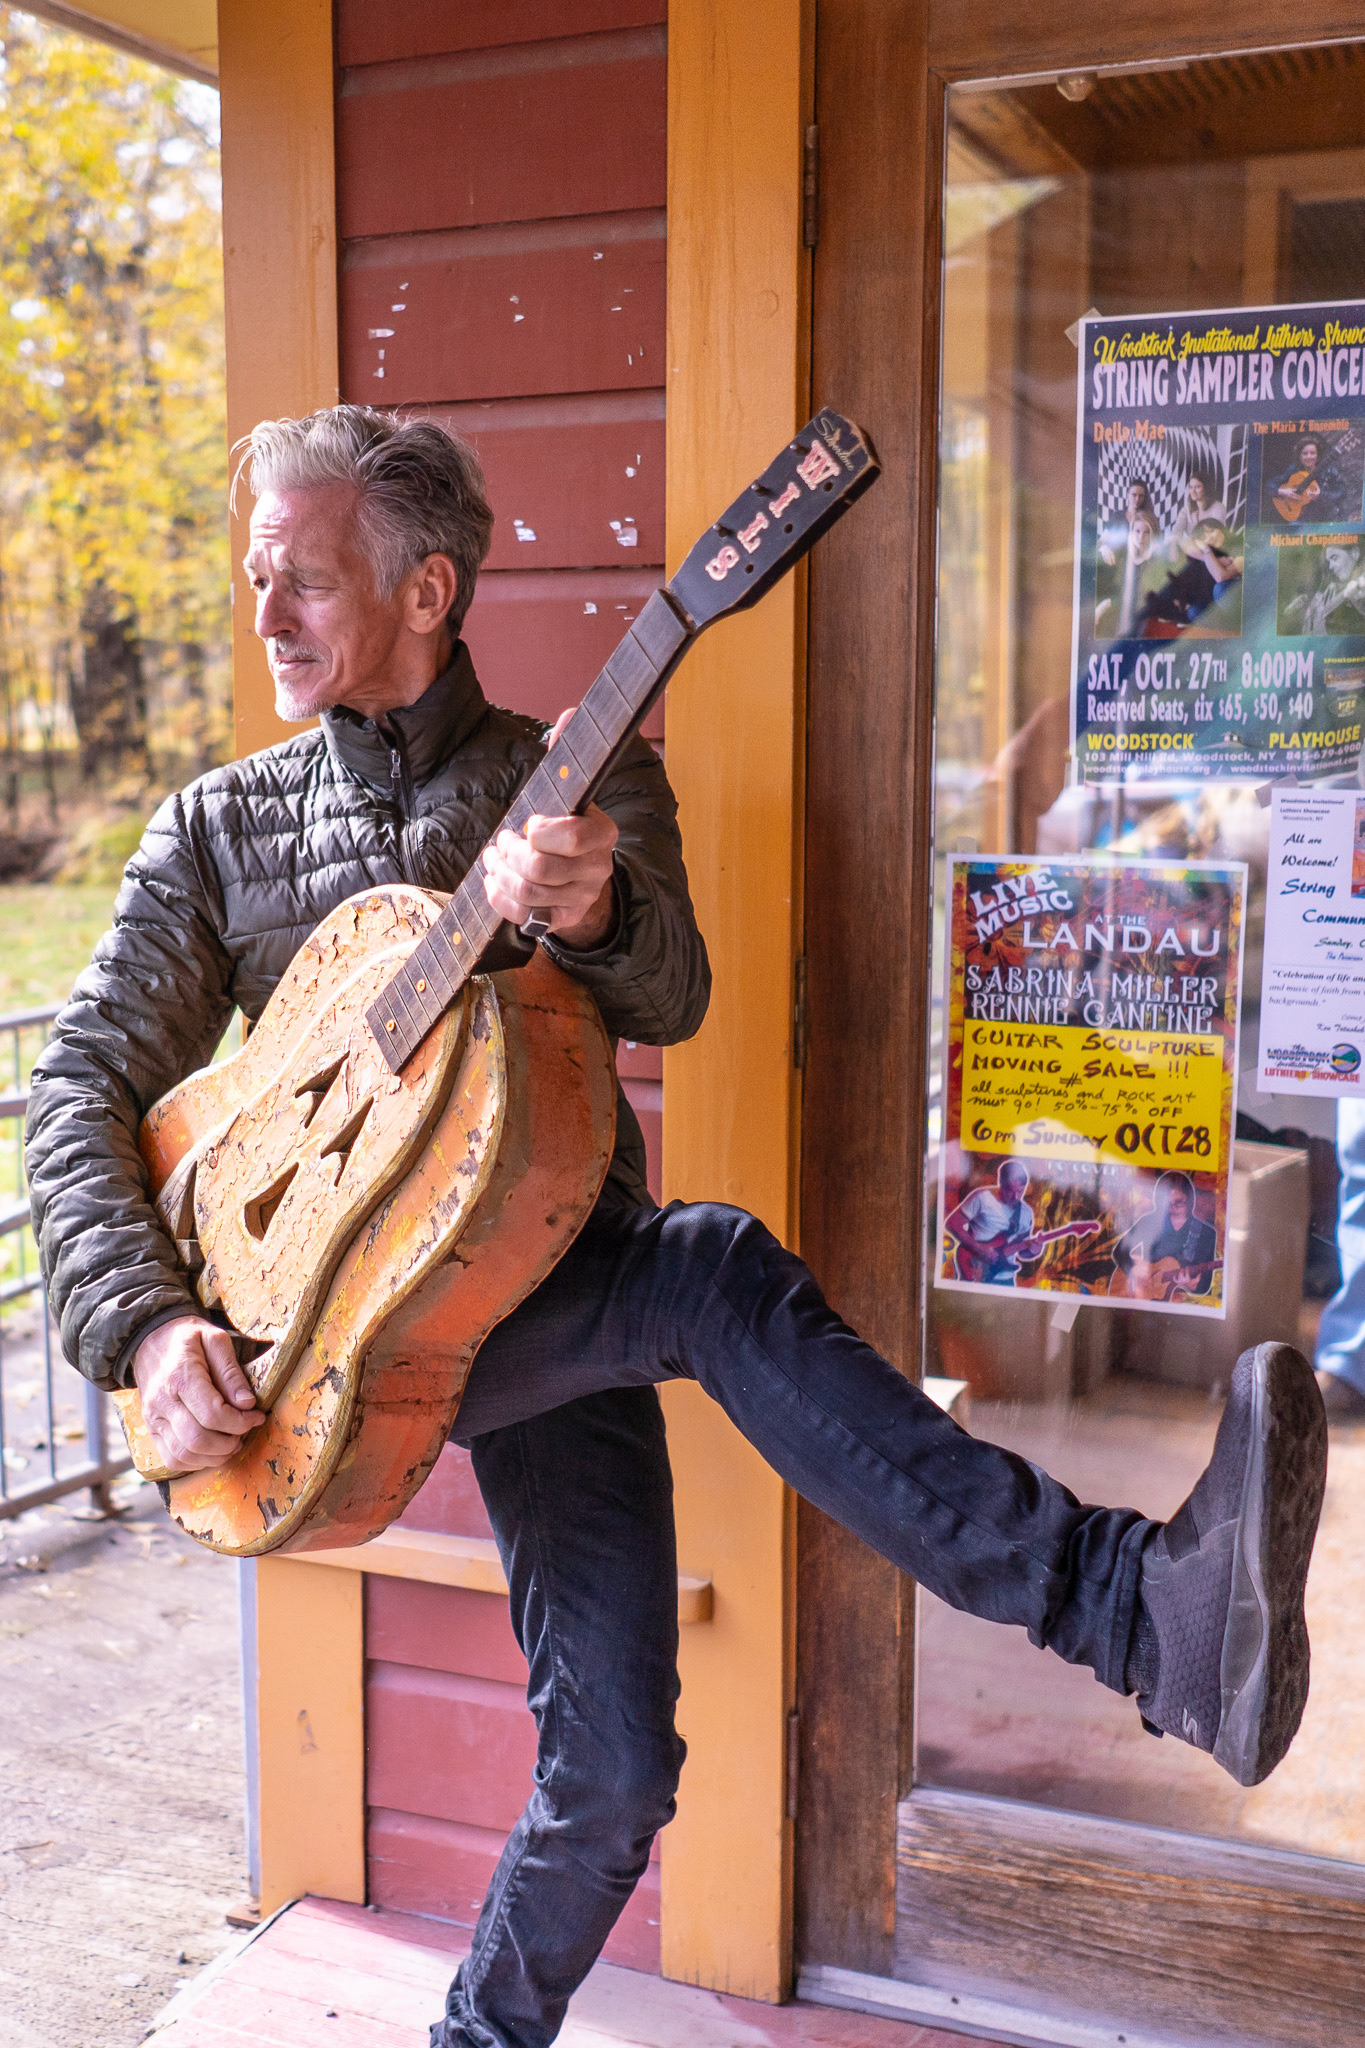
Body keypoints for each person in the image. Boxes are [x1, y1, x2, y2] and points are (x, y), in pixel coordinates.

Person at [25, 408, 1327, 2048]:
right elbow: (76, 1085)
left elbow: (678, 996)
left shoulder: (588, 769)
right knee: (705, 1272)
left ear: (429, 587)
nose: (263, 611)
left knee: (619, 1762)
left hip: (556, 1282)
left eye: (300, 577)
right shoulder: (222, 830)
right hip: (330, 1352)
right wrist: (145, 1324)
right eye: (255, 577)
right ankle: (1138, 1612)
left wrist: (602, 909)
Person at [1112, 1170, 1218, 1298]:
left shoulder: (1207, 1234)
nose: (1172, 1207)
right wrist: (1134, 1269)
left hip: (1177, 1304)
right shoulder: (1149, 1220)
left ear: (1189, 1198)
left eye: (1178, 1202)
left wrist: (1191, 1285)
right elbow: (1119, 1251)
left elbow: (1205, 1286)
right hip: (1145, 1295)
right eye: (1167, 1202)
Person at [943, 1158, 1039, 1283]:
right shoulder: (983, 1197)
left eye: (1020, 1191)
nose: (1015, 1196)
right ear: (1001, 1183)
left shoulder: (1026, 1213)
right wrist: (978, 1248)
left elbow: (1021, 1250)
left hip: (1006, 1279)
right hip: (976, 1269)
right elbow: (952, 1224)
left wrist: (1033, 1251)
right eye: (1010, 1190)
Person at [1281, 535, 1365, 636]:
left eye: (1335, 558)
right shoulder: (1334, 587)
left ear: (1355, 553)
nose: (1330, 566)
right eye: (1328, 561)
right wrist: (1307, 601)